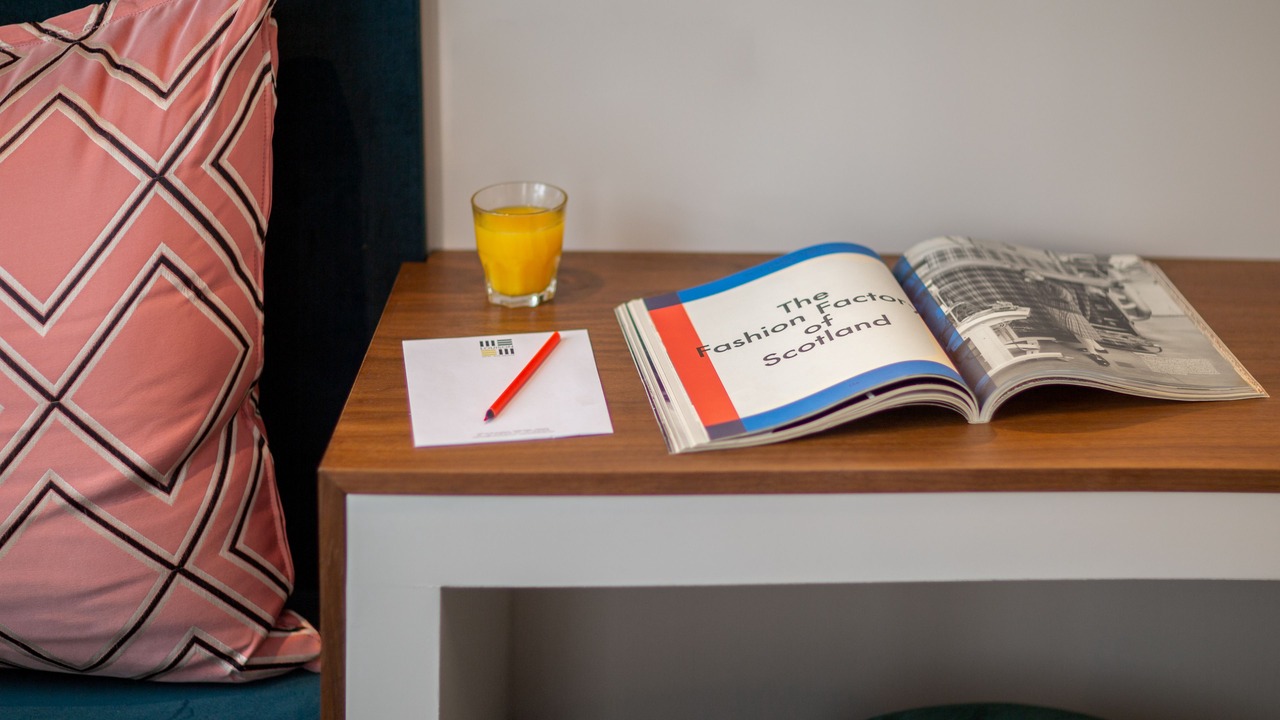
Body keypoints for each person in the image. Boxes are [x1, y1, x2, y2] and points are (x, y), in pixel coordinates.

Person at [1023, 271, 1111, 366]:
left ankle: (1095, 347)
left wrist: (1043, 280)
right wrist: (1029, 281)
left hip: (1068, 307)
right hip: (1057, 308)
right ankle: (1093, 352)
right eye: (1028, 275)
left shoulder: (1051, 281)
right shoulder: (1036, 285)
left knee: (1083, 329)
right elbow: (1035, 293)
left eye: (1032, 274)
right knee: (1079, 331)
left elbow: (1065, 295)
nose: (1031, 276)